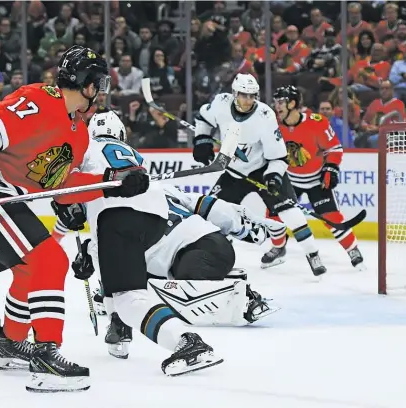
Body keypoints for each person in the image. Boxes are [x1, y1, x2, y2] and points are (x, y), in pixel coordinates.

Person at [0, 45, 149, 393]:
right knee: (50, 257)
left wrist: (112, 184)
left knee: (30, 269)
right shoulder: (41, 100)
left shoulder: (78, 133)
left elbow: (61, 186)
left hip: (2, 190)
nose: (101, 91)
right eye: (98, 83)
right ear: (86, 84)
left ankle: (11, 343)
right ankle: (46, 354)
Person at [51, 111, 233, 374]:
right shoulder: (133, 153)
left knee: (129, 298)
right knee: (118, 269)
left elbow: (68, 188)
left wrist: (64, 206)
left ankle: (185, 341)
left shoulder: (86, 145)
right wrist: (90, 252)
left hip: (116, 220)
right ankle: (119, 325)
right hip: (155, 220)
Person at [192, 73, 327, 276]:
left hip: (263, 168)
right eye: (244, 95)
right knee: (212, 212)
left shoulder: (265, 116)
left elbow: (279, 157)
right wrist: (202, 139)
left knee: (291, 212)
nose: (248, 100)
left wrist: (273, 176)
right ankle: (207, 256)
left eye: (252, 95)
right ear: (234, 93)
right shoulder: (220, 103)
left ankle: (313, 254)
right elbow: (203, 119)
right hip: (233, 171)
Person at [271, 86, 365, 270]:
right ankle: (278, 247)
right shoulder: (273, 125)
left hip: (316, 179)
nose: (277, 106)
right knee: (273, 214)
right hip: (289, 179)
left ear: (293, 103)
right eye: (276, 102)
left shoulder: (316, 122)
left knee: (332, 217)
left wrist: (330, 168)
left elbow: (334, 148)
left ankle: (352, 249)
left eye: (281, 102)